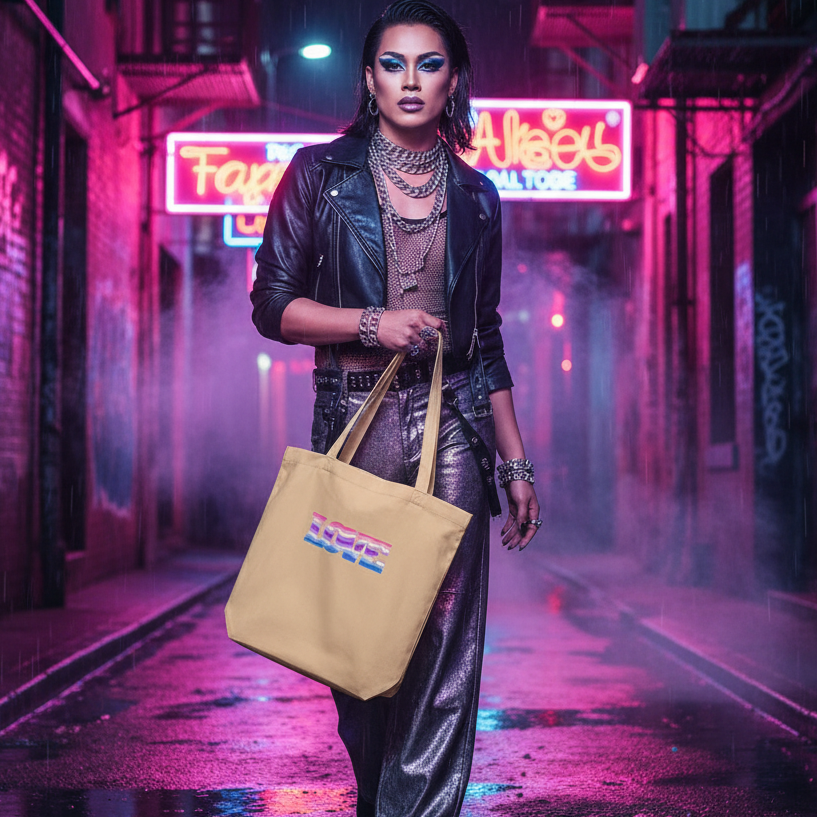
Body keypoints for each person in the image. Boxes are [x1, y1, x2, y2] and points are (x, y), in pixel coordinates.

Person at [251, 2, 540, 814]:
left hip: (451, 425)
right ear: (367, 79)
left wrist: (513, 463)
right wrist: (372, 322)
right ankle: (384, 795)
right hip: (350, 420)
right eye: (392, 64)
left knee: (444, 641)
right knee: (358, 651)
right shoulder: (317, 173)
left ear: (455, 81)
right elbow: (272, 304)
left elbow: (485, 340)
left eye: (429, 64)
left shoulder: (478, 197)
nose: (410, 81)